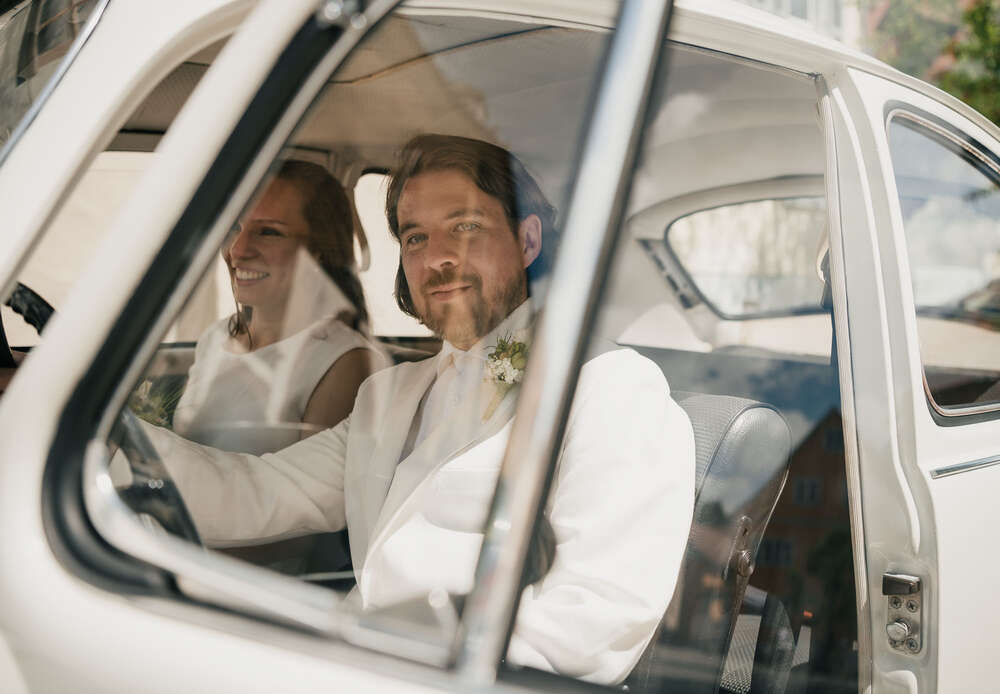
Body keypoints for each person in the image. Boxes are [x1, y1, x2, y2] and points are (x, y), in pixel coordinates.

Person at [145, 135, 695, 685]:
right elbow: (258, 492)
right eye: (415, 237)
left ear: (527, 241)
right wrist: (121, 446)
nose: (437, 257)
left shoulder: (611, 387)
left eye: (466, 226)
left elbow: (596, 619)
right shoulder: (387, 396)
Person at [170, 160, 383, 454]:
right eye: (235, 228)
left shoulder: (343, 363)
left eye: (268, 232)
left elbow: (306, 495)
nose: (237, 250)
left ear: (318, 251)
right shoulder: (216, 337)